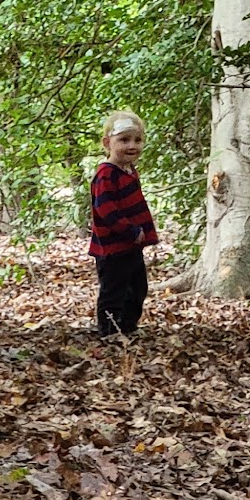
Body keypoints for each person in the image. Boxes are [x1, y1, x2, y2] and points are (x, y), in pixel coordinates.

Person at [88, 110, 158, 338]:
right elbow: (105, 208)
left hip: (131, 246)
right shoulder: (106, 174)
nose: (132, 145)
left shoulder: (129, 171)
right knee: (113, 290)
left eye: (137, 140)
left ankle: (127, 326)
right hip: (113, 248)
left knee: (137, 288)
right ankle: (108, 331)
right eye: (124, 140)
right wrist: (129, 230)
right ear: (107, 143)